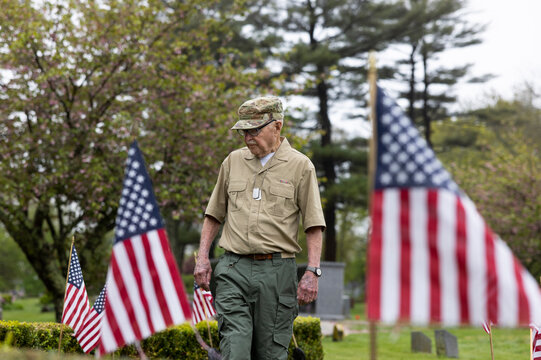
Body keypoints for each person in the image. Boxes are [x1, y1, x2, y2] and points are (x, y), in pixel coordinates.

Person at [194, 96, 326, 360]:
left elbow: (313, 224)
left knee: (271, 354)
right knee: (236, 348)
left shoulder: (301, 166)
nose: (247, 137)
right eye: (244, 131)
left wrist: (312, 270)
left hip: (277, 274)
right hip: (233, 269)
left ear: (277, 126)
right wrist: (202, 259)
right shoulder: (232, 162)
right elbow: (213, 214)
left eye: (255, 130)